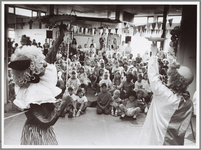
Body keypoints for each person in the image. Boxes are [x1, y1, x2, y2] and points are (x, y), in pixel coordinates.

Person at [138, 43, 194, 145]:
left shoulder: (164, 95)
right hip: (175, 142)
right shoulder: (188, 102)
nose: (168, 77)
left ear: (174, 79)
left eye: (170, 76)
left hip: (159, 140)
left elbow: (153, 76)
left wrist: (154, 54)